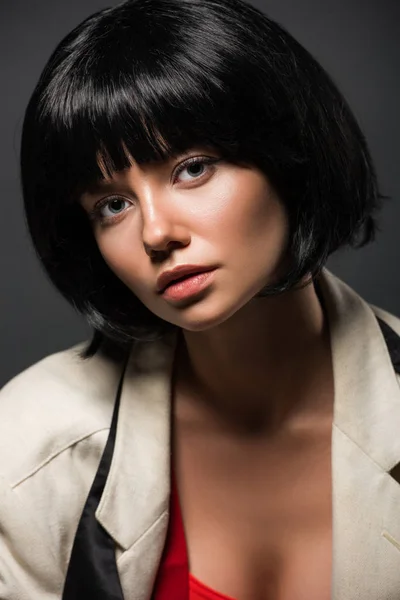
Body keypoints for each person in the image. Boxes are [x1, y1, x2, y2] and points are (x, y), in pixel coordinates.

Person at [1, 0, 399, 598]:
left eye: (191, 168)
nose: (156, 232)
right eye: (112, 205)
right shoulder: (27, 444)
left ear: (289, 154)